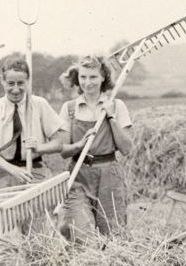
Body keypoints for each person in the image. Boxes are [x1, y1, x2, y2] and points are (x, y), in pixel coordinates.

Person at [0, 56, 67, 237]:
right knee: (6, 240)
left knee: (39, 239)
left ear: (28, 81)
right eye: (11, 83)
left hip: (36, 177)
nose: (16, 89)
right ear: (2, 81)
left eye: (21, 83)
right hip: (4, 178)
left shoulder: (39, 104)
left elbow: (60, 142)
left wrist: (39, 148)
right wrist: (14, 171)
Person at [57, 55, 134, 243]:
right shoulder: (69, 109)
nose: (87, 82)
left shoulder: (116, 105)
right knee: (80, 233)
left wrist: (111, 117)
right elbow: (63, 151)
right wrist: (79, 145)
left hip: (109, 174)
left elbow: (126, 148)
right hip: (78, 174)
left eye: (93, 77)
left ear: (103, 78)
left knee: (113, 235)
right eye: (83, 77)